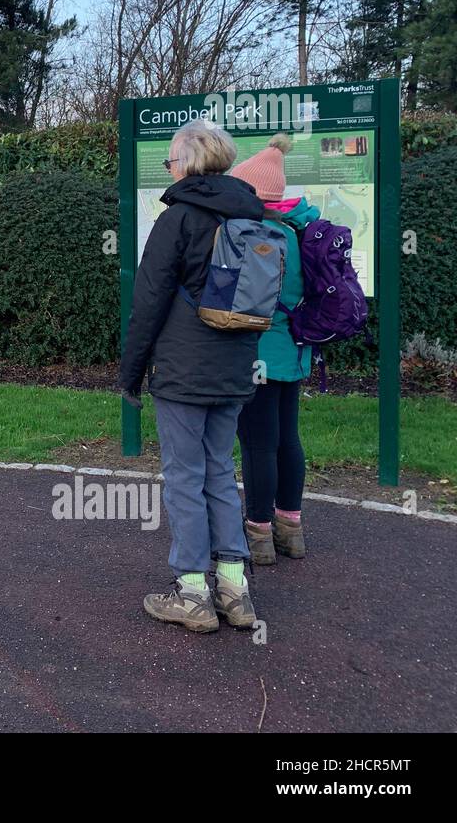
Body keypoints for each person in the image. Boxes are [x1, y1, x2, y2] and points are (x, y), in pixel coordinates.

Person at [119, 119, 264, 634]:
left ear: (188, 162)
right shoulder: (255, 213)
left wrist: (131, 374)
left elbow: (149, 300)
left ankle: (192, 593)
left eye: (170, 162)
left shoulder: (178, 218)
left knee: (184, 476)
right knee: (220, 471)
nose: (169, 169)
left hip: (183, 368)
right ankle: (235, 590)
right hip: (234, 366)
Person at [229, 134, 318, 564]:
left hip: (258, 351)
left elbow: (243, 302)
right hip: (295, 352)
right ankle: (291, 528)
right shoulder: (299, 233)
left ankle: (259, 534)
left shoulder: (255, 236)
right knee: (288, 439)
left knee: (258, 443)